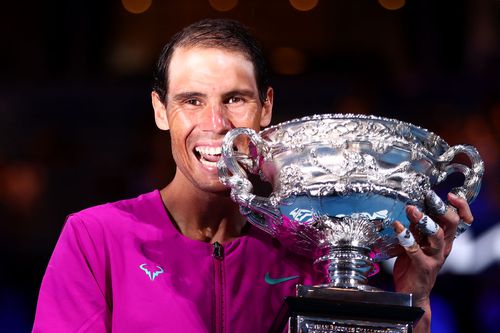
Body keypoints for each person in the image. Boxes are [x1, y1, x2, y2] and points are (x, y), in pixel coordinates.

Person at [32, 18, 474, 333]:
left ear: (266, 108)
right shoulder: (94, 238)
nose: (216, 123)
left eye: (235, 99)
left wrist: (412, 298)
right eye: (191, 101)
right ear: (160, 110)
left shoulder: (314, 250)